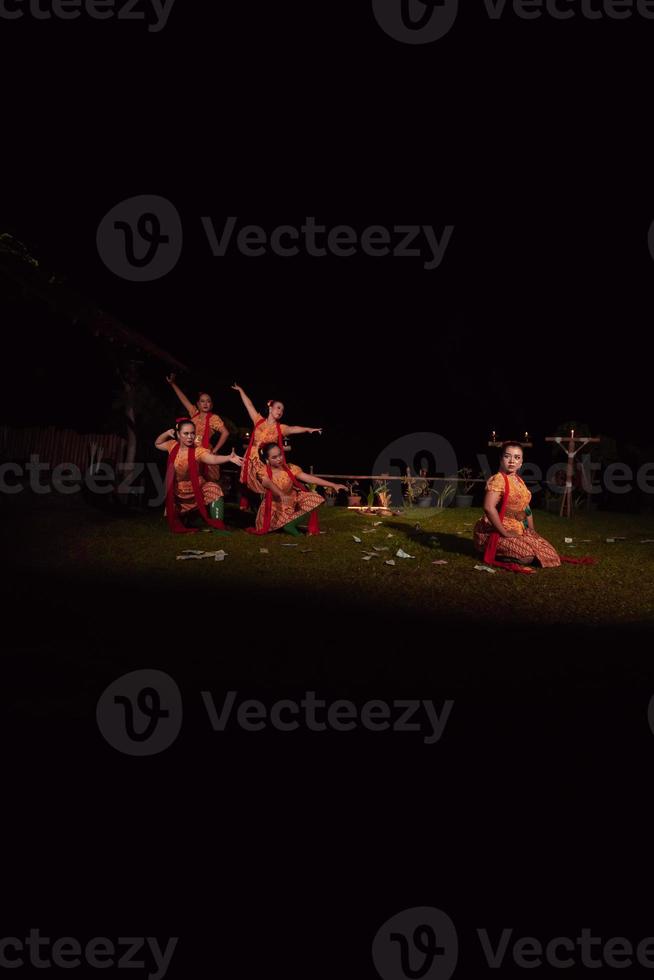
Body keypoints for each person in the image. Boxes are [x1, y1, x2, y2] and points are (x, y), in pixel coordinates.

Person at [473, 441, 562, 572]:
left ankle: (517, 546)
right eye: (507, 456)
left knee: (550, 552)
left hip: (518, 529)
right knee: (527, 555)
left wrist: (531, 530)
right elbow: (488, 507)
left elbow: (526, 508)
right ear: (501, 459)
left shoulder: (519, 481)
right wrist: (504, 532)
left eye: (517, 457)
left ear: (521, 462)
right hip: (496, 531)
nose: (512, 461)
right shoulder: (498, 479)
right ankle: (490, 549)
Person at [231, 382, 322, 506]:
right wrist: (241, 390)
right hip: (250, 458)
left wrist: (308, 429)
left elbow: (293, 428)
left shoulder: (281, 428)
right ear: (270, 408)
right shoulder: (258, 420)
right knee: (247, 486)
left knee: (264, 485)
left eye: (282, 410)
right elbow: (249, 405)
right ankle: (255, 509)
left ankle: (271, 510)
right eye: (278, 407)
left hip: (264, 460)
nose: (280, 411)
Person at [155, 418, 242, 533]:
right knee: (179, 520)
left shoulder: (198, 451)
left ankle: (217, 524)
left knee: (214, 489)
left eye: (192, 433)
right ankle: (187, 516)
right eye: (186, 433)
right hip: (178, 491)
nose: (190, 437)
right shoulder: (172, 445)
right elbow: (158, 443)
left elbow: (212, 459)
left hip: (197, 489)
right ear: (178, 434)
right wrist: (167, 433)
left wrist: (228, 458)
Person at [248, 442, 347, 536]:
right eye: (274, 457)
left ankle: (290, 525)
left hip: (292, 499)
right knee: (273, 525)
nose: (279, 459)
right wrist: (281, 494)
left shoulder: (290, 468)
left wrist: (333, 485)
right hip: (275, 506)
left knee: (314, 498)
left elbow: (308, 478)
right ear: (267, 459)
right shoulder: (262, 472)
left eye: (280, 455)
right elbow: (269, 484)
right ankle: (285, 524)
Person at [165, 374, 228, 482]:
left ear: (211, 405)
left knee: (206, 483)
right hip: (190, 450)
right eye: (202, 401)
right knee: (188, 481)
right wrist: (172, 384)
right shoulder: (194, 413)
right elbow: (183, 400)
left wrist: (215, 450)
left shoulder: (213, 418)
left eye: (208, 401)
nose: (205, 404)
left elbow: (225, 433)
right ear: (198, 404)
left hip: (204, 453)